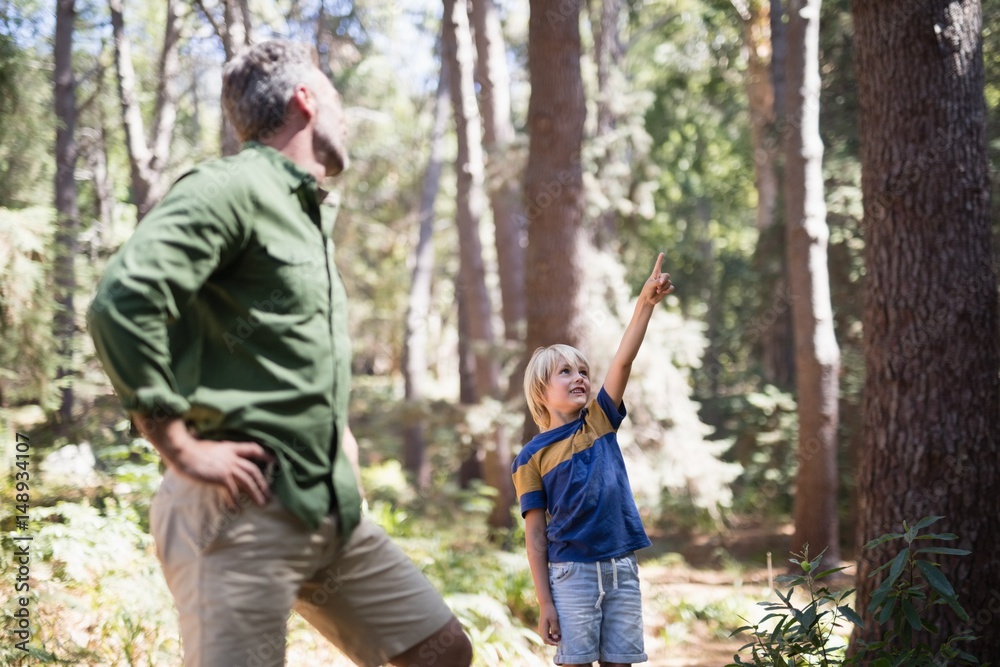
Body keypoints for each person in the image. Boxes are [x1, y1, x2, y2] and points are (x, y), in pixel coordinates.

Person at [87, 39, 472, 667]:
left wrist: (335, 437)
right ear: (306, 99)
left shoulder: (305, 216)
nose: (345, 117)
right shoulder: (233, 186)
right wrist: (177, 443)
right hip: (234, 517)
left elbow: (280, 352)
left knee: (440, 652)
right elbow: (121, 300)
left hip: (324, 509)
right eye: (337, 99)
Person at [511, 254, 674, 667]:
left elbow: (622, 360)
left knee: (621, 663)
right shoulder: (530, 458)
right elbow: (535, 538)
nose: (579, 376)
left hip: (621, 569)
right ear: (540, 391)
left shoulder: (599, 420)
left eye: (582, 369)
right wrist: (544, 602)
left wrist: (645, 304)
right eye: (564, 372)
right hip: (571, 575)